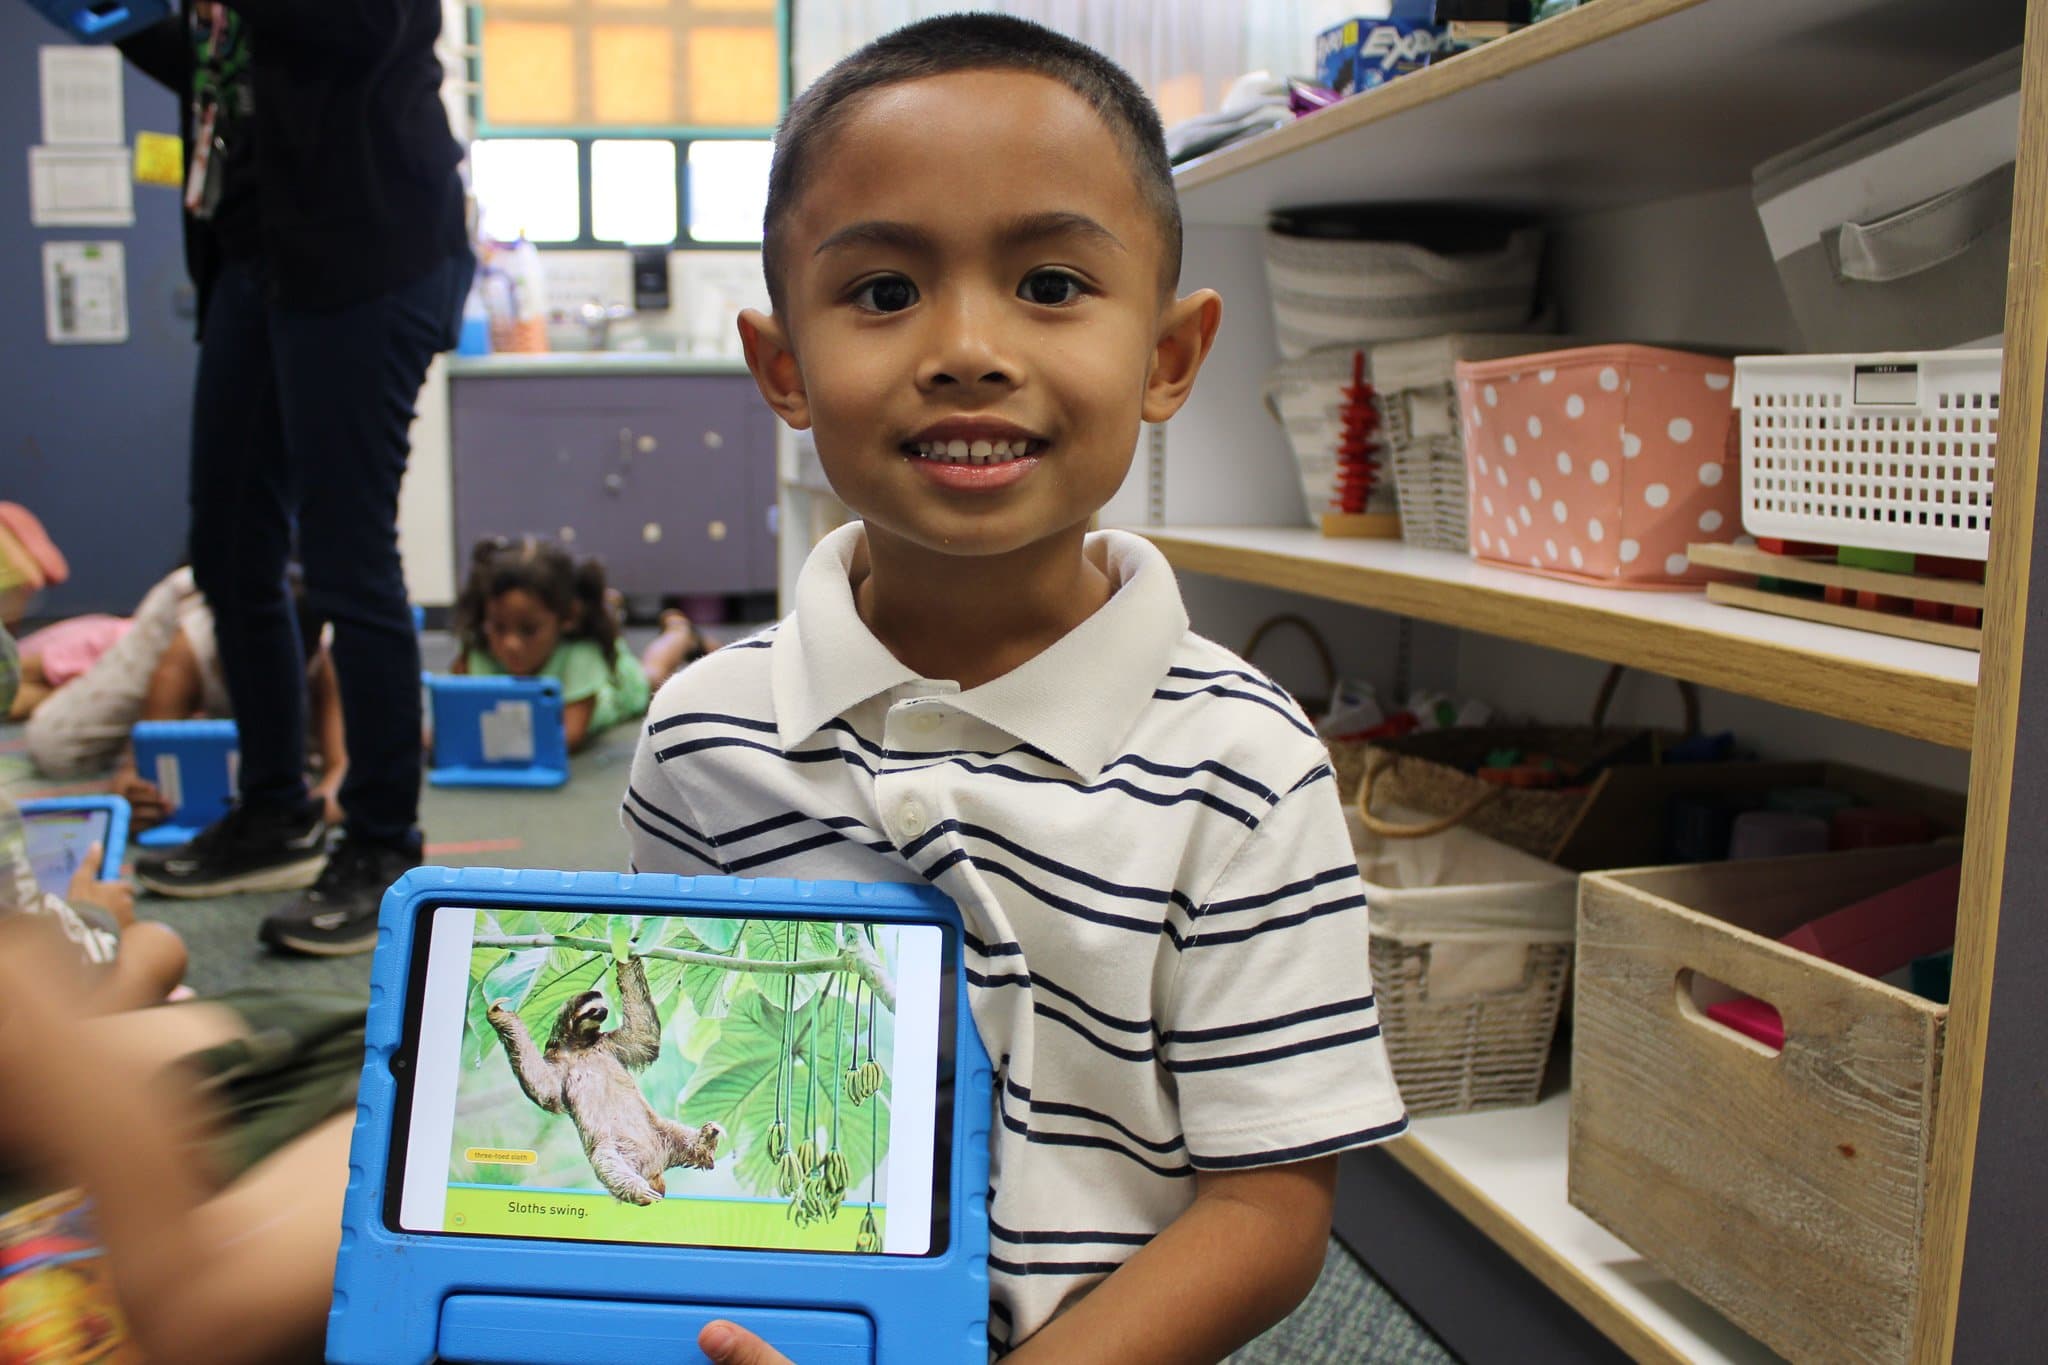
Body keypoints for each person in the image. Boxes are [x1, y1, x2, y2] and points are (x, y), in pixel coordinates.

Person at [622, 16, 1407, 1363]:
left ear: (1167, 357)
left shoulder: (1245, 762)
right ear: (784, 369)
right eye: (882, 293)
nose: (969, 348)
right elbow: (675, 1076)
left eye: (1050, 283)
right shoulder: (702, 735)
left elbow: (1270, 1206)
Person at [113, 1, 473, 952]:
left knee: (345, 556)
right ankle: (275, 807)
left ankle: (384, 841)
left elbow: (358, 30)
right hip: (252, 242)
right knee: (228, 546)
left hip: (368, 247)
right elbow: (219, 64)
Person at [21, 567, 351, 835]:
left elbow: (344, 771)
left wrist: (311, 810)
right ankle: (101, 651)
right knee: (55, 747)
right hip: (184, 605)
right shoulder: (189, 650)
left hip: (276, 617)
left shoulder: (327, 655)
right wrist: (131, 793)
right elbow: (135, 766)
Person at [451, 537, 652, 754]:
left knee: (655, 674)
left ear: (568, 617)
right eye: (499, 627)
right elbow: (451, 721)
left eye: (528, 630)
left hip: (617, 687)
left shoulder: (581, 655)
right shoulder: (479, 652)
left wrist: (483, 744)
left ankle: (677, 633)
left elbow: (569, 736)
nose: (511, 644)